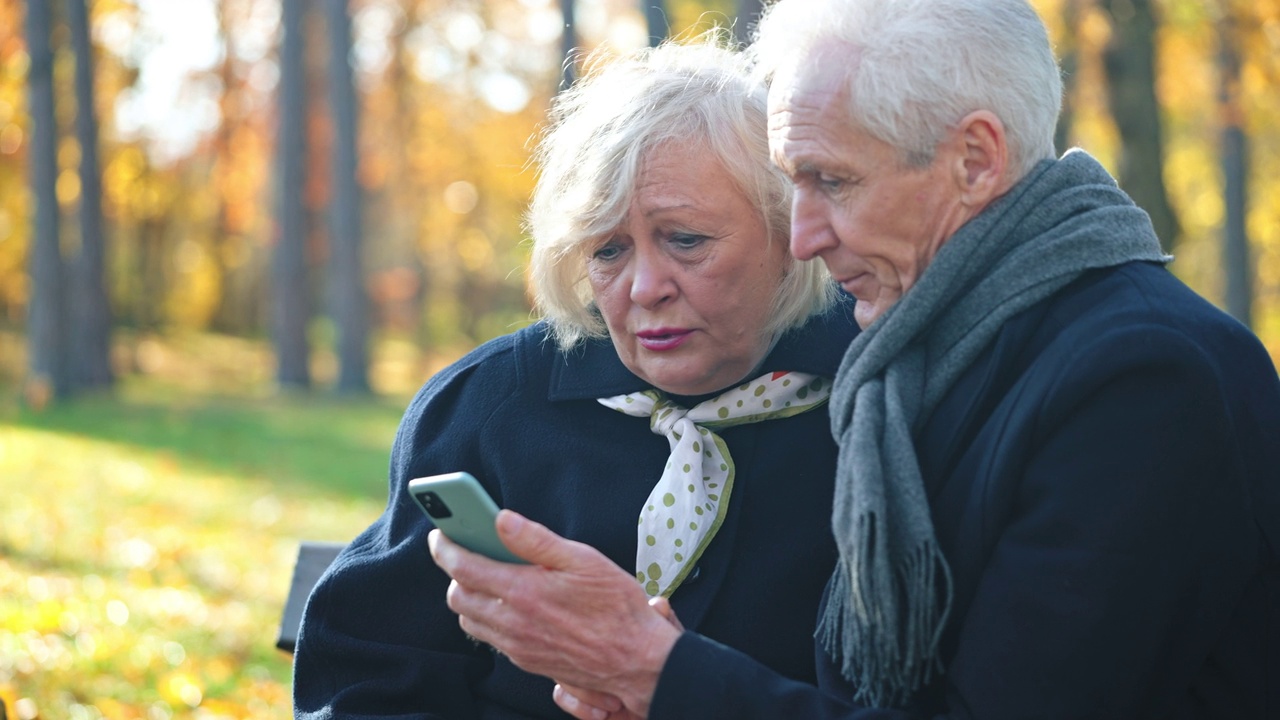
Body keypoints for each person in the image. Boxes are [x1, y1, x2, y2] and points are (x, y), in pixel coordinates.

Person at [429, 0, 1280, 717]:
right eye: (792, 183)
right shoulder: (930, 350)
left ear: (974, 160)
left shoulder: (1142, 379)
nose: (803, 235)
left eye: (832, 181)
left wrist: (658, 673)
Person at [292, 37, 859, 719]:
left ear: (787, 232)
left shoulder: (877, 402)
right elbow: (367, 678)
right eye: (608, 250)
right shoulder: (487, 408)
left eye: (686, 240)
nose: (644, 288)